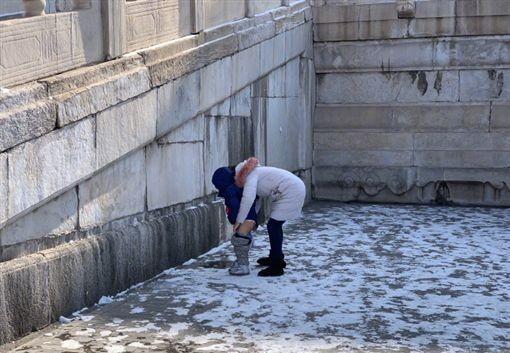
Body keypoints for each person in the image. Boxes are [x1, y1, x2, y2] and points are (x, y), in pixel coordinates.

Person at [234, 157, 306, 277]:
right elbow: (257, 201)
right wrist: (251, 220)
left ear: (241, 174)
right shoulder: (258, 172)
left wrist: (239, 221)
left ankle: (277, 265)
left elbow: (248, 199)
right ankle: (275, 257)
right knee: (274, 225)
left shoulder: (251, 176)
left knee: (274, 226)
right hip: (291, 189)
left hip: (291, 191)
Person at [212, 167, 258, 276]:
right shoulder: (237, 186)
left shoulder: (230, 191)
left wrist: (235, 220)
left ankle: (243, 265)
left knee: (239, 239)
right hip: (250, 216)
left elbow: (235, 207)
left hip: (245, 218)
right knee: (242, 237)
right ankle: (246, 247)